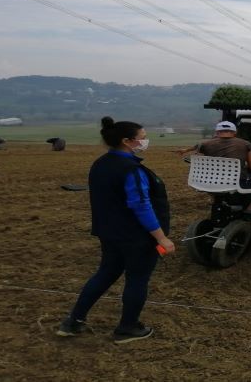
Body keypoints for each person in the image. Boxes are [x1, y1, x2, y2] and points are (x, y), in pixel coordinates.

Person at [57, 116, 175, 344]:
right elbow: (141, 205)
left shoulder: (100, 163)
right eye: (142, 138)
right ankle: (127, 328)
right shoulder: (131, 170)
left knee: (105, 273)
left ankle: (73, 321)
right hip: (137, 238)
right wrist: (162, 238)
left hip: (109, 233)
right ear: (127, 141)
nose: (145, 141)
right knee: (137, 280)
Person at [176, 121, 251, 214]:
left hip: (210, 182)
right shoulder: (245, 144)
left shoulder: (204, 144)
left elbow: (196, 146)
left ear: (217, 133)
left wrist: (185, 150)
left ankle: (218, 200)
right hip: (238, 183)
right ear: (235, 132)